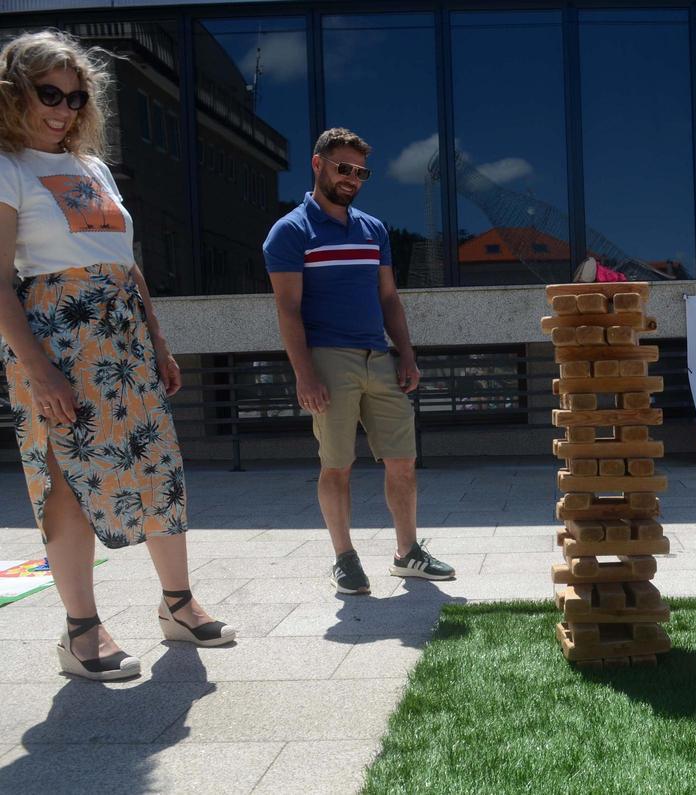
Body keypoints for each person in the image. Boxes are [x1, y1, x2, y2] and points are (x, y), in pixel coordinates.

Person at [0, 31, 234, 681]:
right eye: (48, 93)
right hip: (55, 339)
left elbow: (126, 266)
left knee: (159, 468)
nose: (63, 108)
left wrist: (156, 343)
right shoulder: (7, 166)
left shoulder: (93, 167)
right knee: (67, 484)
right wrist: (40, 370)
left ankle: (178, 605)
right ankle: (80, 632)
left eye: (75, 97)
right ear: (12, 92)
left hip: (124, 340)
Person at [263, 127, 454, 595]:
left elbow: (389, 297)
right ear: (318, 164)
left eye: (360, 171)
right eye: (342, 167)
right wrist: (304, 373)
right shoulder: (290, 232)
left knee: (403, 461)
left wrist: (405, 354)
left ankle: (407, 553)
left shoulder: (373, 229)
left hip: (379, 357)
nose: (351, 178)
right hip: (328, 359)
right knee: (337, 466)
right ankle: (344, 559)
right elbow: (287, 309)